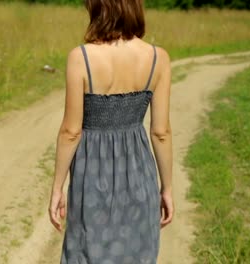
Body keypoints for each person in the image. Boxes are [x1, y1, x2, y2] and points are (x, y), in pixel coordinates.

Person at [48, 0, 173, 263]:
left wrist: (57, 188)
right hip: (140, 178)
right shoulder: (158, 58)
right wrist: (167, 189)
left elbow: (71, 131)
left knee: (87, 251)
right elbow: (161, 132)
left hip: (92, 179)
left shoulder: (81, 58)